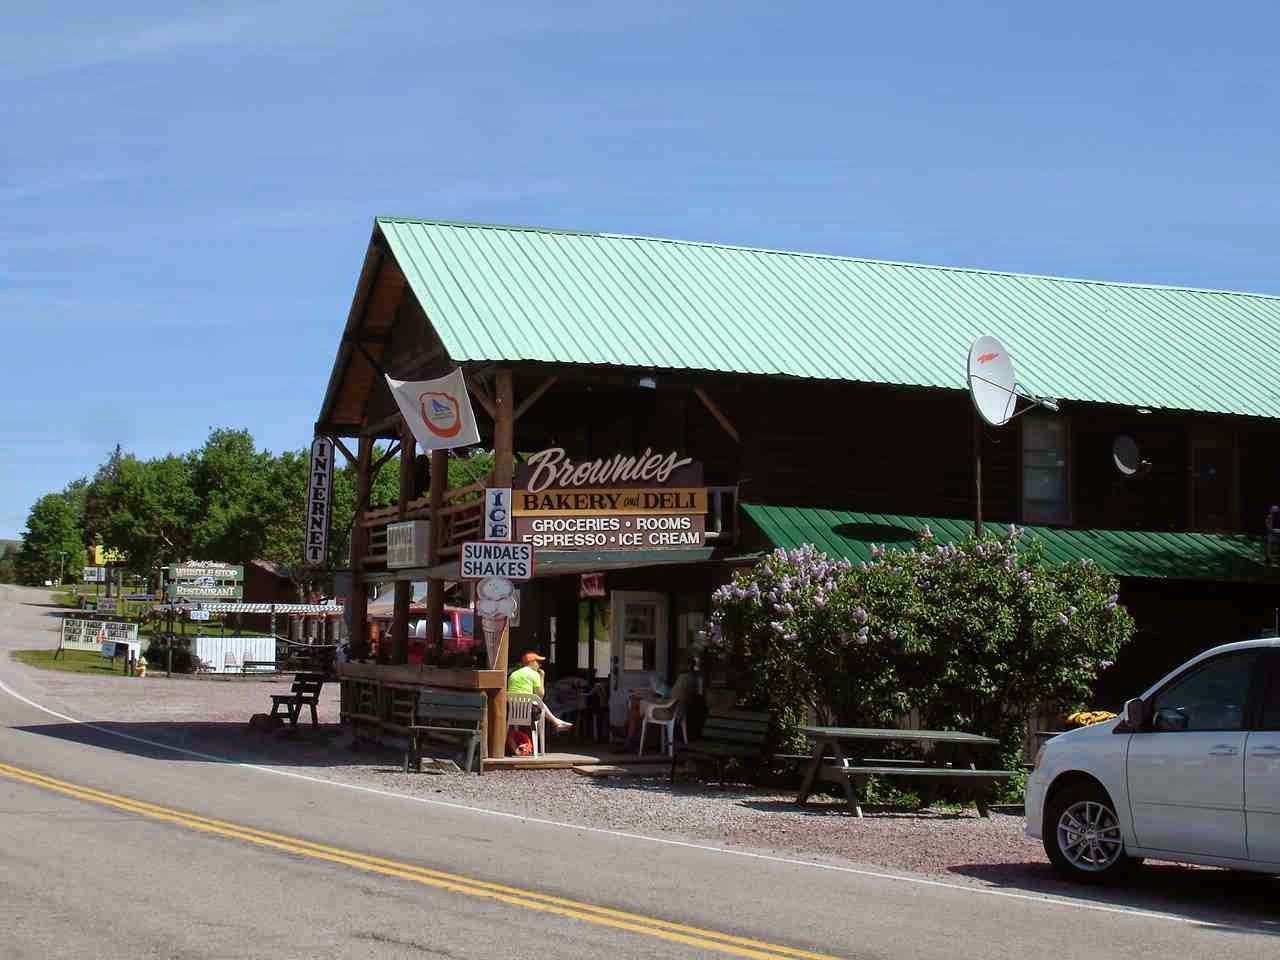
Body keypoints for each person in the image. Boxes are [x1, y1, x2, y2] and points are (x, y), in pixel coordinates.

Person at [507, 651, 573, 732]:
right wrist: (542, 677)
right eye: (538, 662)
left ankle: (556, 721)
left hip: (511, 711)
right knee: (540, 704)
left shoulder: (513, 674)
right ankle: (556, 722)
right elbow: (540, 696)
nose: (540, 665)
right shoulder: (534, 674)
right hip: (528, 712)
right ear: (531, 662)